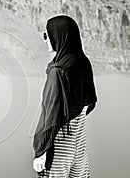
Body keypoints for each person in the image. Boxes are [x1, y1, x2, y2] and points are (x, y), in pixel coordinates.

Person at [32, 15, 97, 177]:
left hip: (59, 148)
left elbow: (51, 114)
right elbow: (89, 103)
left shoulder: (58, 71)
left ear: (59, 36)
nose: (46, 40)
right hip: (79, 146)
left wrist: (41, 151)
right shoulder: (84, 63)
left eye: (47, 35)